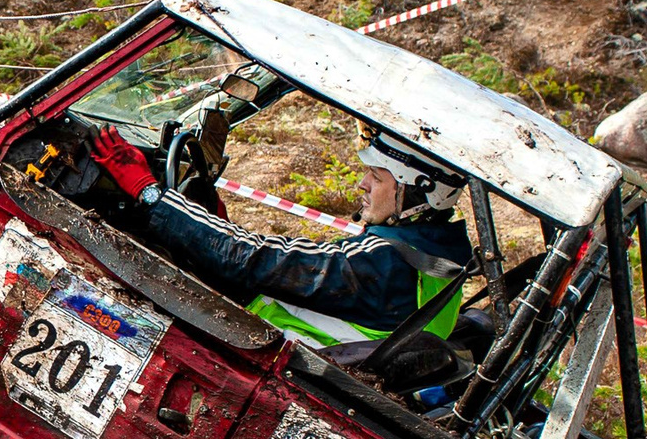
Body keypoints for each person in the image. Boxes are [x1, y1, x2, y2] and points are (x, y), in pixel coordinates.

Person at [89, 125, 473, 347]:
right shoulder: (435, 259)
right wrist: (214, 223)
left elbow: (254, 260)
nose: (362, 183)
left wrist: (149, 193)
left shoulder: (385, 263)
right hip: (288, 359)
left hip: (261, 354)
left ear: (414, 191)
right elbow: (286, 265)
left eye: (376, 176)